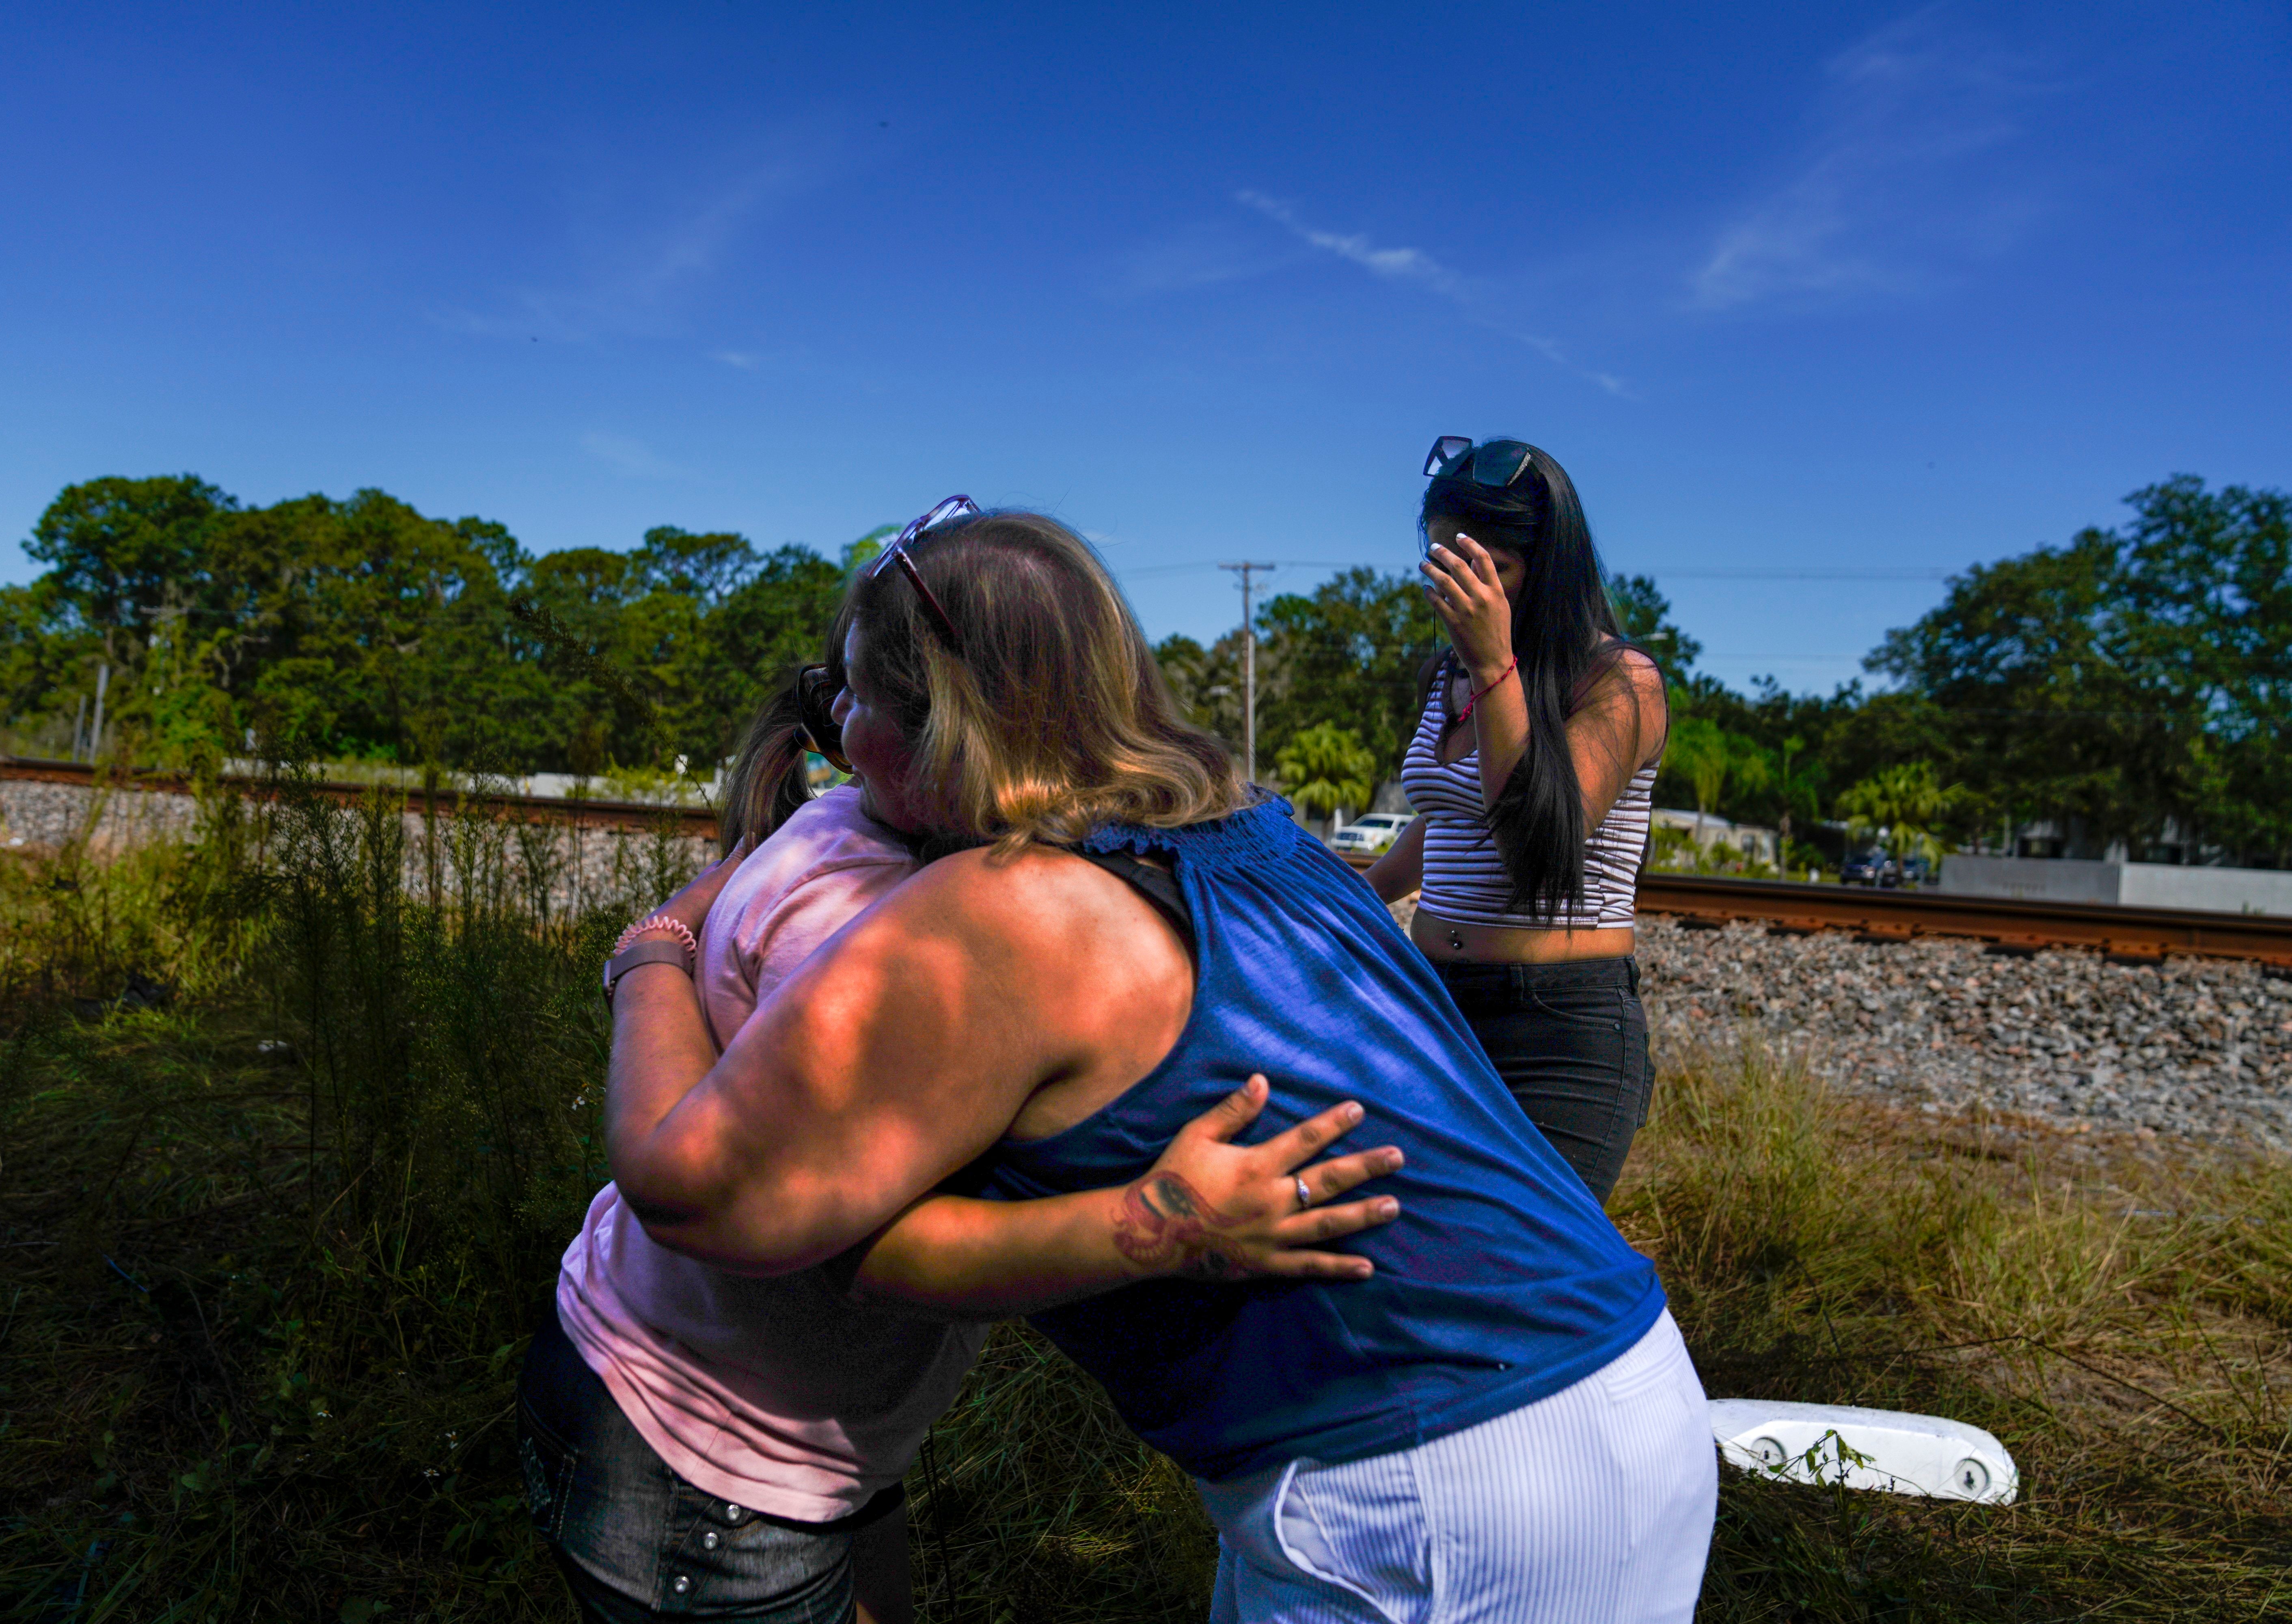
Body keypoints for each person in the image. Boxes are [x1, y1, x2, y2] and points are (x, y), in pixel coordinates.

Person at [603, 499, 1716, 1623]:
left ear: (948, 723)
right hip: (1610, 1375)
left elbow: (693, 1190)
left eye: (860, 697)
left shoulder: (1008, 910)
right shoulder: (1256, 833)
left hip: (1432, 1485)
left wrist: (650, 954)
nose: (838, 728)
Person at [520, 637, 1399, 1624]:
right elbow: (843, 1252)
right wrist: (1160, 1222)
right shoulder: (864, 925)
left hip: (766, 1427)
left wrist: (654, 944)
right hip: (710, 1456)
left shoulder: (870, 832)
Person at [1362, 438, 1670, 1204]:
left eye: (1487, 569)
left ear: (1549, 566)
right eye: (1444, 565)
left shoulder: (1617, 681)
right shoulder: (1448, 675)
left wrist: (1493, 666)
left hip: (1554, 1028)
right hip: (1435, 1002)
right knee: (1413, 1244)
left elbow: (1536, 838)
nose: (1459, 590)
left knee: (1524, 1259)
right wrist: (1349, 896)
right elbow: (1448, 819)